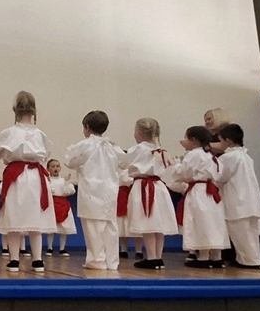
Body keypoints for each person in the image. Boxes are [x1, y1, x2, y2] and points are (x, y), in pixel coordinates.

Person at [0, 91, 55, 274]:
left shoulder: (9, 133)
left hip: (16, 178)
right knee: (35, 217)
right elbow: (45, 154)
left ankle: (14, 259)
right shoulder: (40, 134)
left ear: (15, 109)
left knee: (14, 216)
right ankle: (37, 260)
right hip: (36, 178)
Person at [65, 110, 125, 271]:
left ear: (86, 127)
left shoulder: (85, 145)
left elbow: (69, 161)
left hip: (91, 191)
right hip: (109, 191)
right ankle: (112, 261)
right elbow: (125, 162)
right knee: (110, 227)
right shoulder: (112, 147)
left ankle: (96, 260)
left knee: (93, 227)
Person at [119, 118, 178, 270]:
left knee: (147, 222)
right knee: (158, 224)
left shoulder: (137, 149)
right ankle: (158, 257)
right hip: (159, 188)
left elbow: (123, 163)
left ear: (139, 133)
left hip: (143, 187)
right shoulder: (162, 150)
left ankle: (151, 257)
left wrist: (115, 150)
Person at [170, 125, 229, 269]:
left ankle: (203, 257)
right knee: (213, 223)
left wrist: (176, 164)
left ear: (194, 140)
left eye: (186, 138)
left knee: (200, 222)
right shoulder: (211, 156)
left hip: (199, 192)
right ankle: (216, 257)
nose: (183, 141)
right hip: (212, 193)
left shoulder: (194, 154)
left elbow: (184, 173)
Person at [216, 123, 260, 269]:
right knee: (251, 234)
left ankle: (249, 261)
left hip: (238, 201)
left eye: (221, 141)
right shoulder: (246, 156)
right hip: (251, 201)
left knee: (240, 234)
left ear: (228, 141)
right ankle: (252, 259)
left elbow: (220, 177)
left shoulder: (228, 157)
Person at [45, 158, 76, 256]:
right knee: (51, 227)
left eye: (57, 166)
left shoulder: (63, 180)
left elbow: (70, 191)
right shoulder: (46, 181)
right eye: (53, 166)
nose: (55, 168)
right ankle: (49, 248)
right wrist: (49, 184)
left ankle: (62, 248)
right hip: (51, 205)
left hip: (63, 205)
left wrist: (67, 183)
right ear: (48, 169)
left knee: (64, 228)